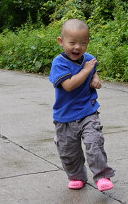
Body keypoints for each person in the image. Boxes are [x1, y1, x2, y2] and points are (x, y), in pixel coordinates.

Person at [49, 19, 115, 191]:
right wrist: (86, 71)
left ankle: (102, 176)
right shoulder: (59, 63)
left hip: (88, 112)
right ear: (61, 41)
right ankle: (77, 176)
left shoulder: (90, 60)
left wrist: (95, 78)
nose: (77, 47)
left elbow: (94, 72)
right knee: (68, 151)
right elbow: (69, 85)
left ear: (88, 43)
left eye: (82, 43)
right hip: (64, 116)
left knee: (94, 142)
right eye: (72, 43)